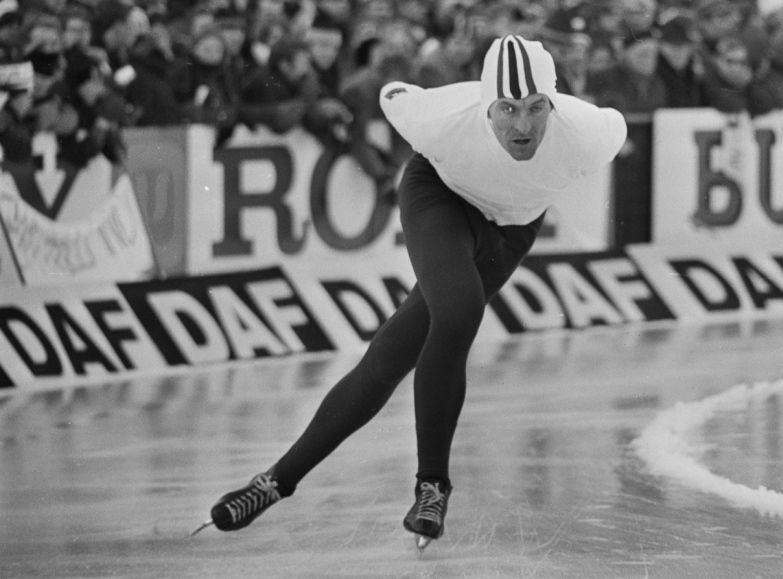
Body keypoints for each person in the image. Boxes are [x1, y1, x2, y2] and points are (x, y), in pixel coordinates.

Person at [193, 34, 627, 548]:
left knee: (390, 356)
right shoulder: (440, 118)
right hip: (438, 196)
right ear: (485, 103)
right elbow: (391, 95)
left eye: (537, 108)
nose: (523, 125)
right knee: (459, 311)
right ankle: (432, 485)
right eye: (507, 108)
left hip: (510, 228)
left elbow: (614, 124)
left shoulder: (593, 133)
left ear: (554, 102)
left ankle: (274, 481)